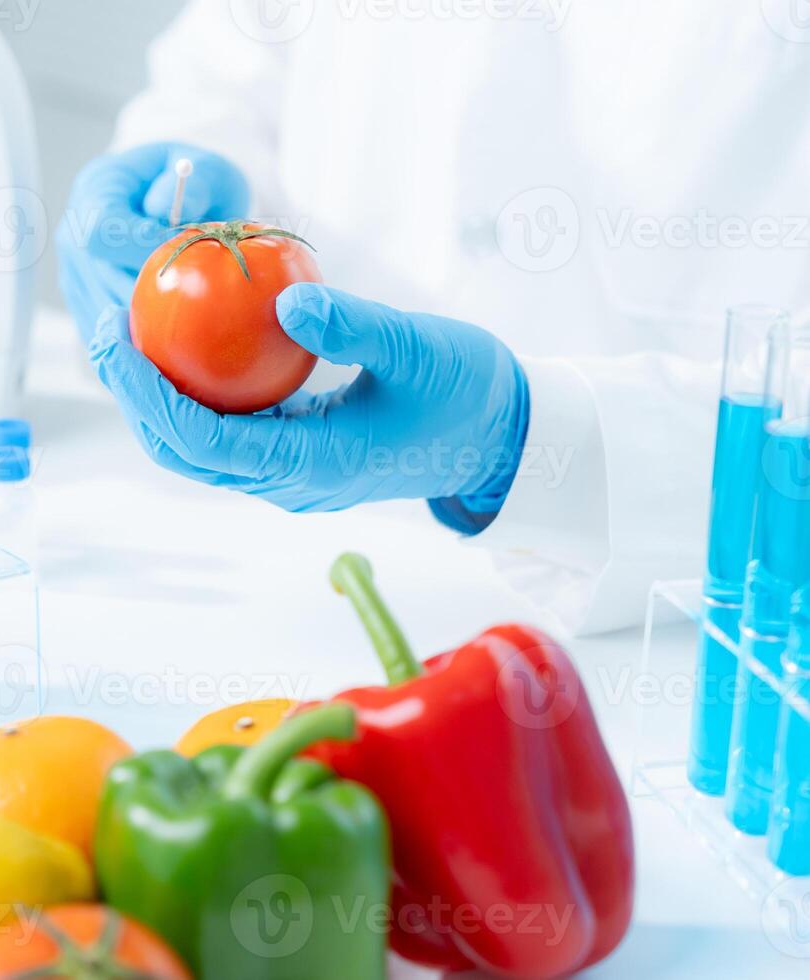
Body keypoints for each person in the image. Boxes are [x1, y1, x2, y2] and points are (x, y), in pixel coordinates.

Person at [58, 2, 810, 635]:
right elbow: (234, 59)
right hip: (280, 586)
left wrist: (526, 441)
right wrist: (178, 169)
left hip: (681, 626)